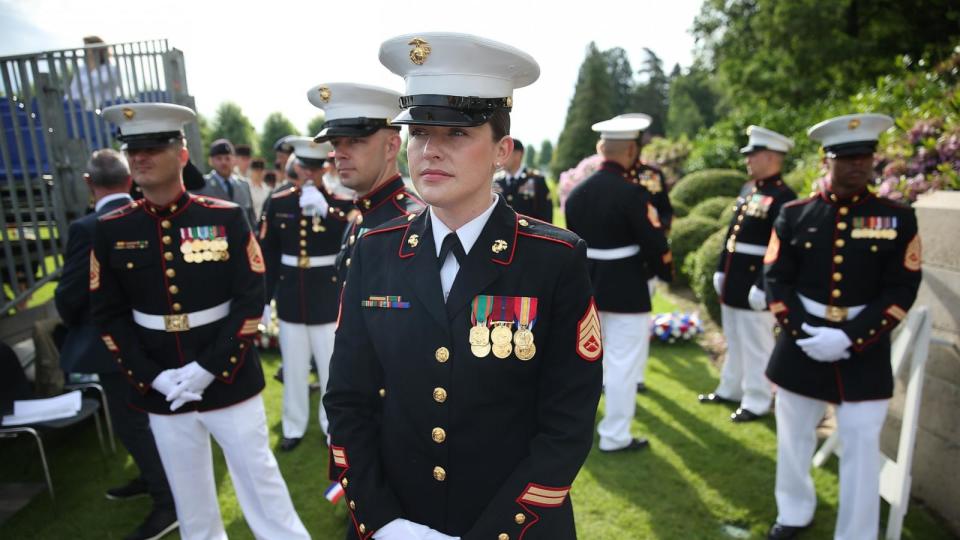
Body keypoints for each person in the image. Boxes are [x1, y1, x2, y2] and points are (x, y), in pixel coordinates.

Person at [324, 32, 602, 540]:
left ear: (502, 151)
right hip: (395, 520)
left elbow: (568, 421)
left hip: (513, 524)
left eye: (456, 134)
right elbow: (347, 399)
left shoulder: (554, 259)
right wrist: (382, 522)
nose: (430, 151)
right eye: (420, 133)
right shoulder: (375, 251)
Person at [92, 103, 310, 540]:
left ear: (183, 153)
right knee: (191, 501)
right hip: (163, 385)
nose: (141, 157)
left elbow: (251, 299)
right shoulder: (112, 228)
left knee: (260, 483)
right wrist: (152, 378)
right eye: (133, 149)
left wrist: (209, 367)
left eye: (154, 146)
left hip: (227, 378)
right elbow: (109, 316)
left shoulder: (224, 216)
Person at [763, 113, 922, 540]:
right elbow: (776, 279)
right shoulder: (795, 214)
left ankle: (856, 532)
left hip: (865, 349)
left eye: (865, 157)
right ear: (826, 160)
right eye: (847, 157)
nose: (858, 165)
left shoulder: (897, 217)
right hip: (803, 343)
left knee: (860, 445)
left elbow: (903, 287)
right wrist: (803, 333)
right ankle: (793, 512)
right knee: (794, 437)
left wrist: (851, 337)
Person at [55, 148, 177, 540]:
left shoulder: (88, 227)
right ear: (130, 179)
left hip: (113, 345)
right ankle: (153, 479)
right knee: (150, 422)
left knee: (135, 426)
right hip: (157, 339)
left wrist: (73, 321)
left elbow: (71, 296)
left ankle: (167, 501)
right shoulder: (153, 214)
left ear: (89, 183)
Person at [565, 113, 673, 453]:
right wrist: (665, 271)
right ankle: (614, 435)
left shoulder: (577, 192)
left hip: (587, 285)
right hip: (627, 287)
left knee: (584, 361)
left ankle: (575, 430)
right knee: (623, 363)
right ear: (630, 151)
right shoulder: (633, 194)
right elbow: (655, 242)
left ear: (601, 149)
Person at [259, 136, 352, 451]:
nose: (310, 172)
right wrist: (265, 298)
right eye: (305, 165)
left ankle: (332, 427)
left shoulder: (340, 203)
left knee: (330, 368)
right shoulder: (279, 201)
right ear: (296, 165)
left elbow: (353, 240)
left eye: (316, 166)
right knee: (294, 367)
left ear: (325, 167)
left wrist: (329, 213)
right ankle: (293, 426)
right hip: (290, 296)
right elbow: (268, 253)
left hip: (326, 296)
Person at [699, 126, 797, 422]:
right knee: (735, 338)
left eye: (752, 155)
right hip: (734, 278)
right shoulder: (750, 190)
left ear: (770, 157)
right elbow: (732, 235)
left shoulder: (783, 196)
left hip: (755, 282)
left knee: (757, 344)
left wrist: (764, 285)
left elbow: (780, 248)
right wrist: (720, 270)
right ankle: (731, 388)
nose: (747, 160)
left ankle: (757, 399)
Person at [306, 81, 426, 283]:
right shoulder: (361, 217)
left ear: (391, 147)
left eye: (354, 141)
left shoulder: (416, 225)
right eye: (336, 143)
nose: (340, 154)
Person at [194, 139, 256, 227]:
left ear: (234, 160)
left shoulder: (244, 185)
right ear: (210, 161)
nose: (224, 162)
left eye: (227, 158)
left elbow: (251, 218)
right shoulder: (202, 185)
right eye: (219, 158)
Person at [494, 139, 553, 223]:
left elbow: (546, 217)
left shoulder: (536, 180)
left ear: (518, 155)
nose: (501, 157)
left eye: (505, 152)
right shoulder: (496, 181)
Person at [68, 36, 122, 109]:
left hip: (105, 108)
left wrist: (93, 65)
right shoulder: (81, 70)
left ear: (98, 50)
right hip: (81, 109)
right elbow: (73, 90)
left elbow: (100, 82)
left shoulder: (111, 69)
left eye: (88, 48)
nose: (85, 51)